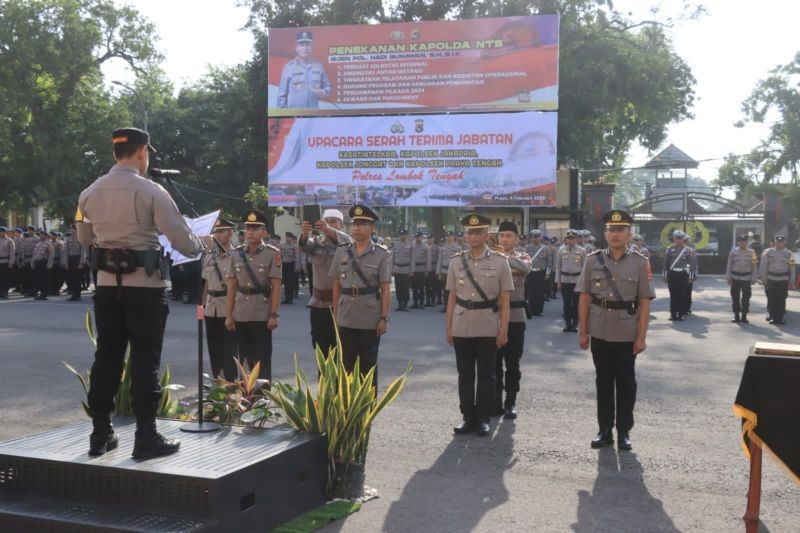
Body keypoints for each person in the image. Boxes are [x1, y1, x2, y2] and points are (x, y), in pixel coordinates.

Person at [77, 127, 210, 459]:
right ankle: (145, 436)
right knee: (144, 360)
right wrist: (200, 244)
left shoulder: (88, 193)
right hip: (145, 290)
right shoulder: (152, 191)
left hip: (107, 288)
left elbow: (83, 237)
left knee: (106, 356)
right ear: (141, 153)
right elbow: (182, 241)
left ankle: (100, 433)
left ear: (114, 153)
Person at [577, 209, 654, 451]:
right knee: (603, 382)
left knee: (626, 382)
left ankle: (624, 431)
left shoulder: (641, 263)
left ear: (630, 234)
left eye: (621, 230)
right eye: (611, 229)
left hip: (626, 332)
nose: (615, 234)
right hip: (599, 329)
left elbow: (644, 302)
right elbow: (585, 298)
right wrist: (582, 332)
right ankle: (604, 430)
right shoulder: (593, 260)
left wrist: (641, 337)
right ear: (605, 233)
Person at [446, 214, 513, 437]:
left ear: (486, 235)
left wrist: (503, 329)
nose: (472, 236)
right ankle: (467, 417)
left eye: (477, 232)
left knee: (487, 374)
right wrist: (448, 328)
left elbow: (505, 299)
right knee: (465, 374)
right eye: (468, 232)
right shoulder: (456, 261)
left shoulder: (500, 261)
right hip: (462, 322)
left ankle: (483, 418)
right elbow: (452, 297)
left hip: (488, 322)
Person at [329, 205, 391, 388]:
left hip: (369, 316)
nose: (357, 227)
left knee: (368, 364)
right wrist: (335, 312)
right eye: (355, 224)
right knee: (345, 364)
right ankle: (346, 409)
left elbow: (385, 289)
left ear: (373, 228)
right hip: (346, 314)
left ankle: (367, 408)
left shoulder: (382, 253)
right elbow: (336, 285)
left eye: (363, 224)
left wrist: (384, 318)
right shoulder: (341, 251)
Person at [225, 211, 282, 380]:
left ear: (264, 232)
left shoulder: (272, 253)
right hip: (241, 313)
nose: (250, 232)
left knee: (262, 359)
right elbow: (232, 287)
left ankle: (263, 398)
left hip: (262, 314)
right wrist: (228, 315)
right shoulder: (236, 254)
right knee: (245, 358)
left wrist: (273, 314)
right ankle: (247, 397)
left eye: (255, 228)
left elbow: (276, 286)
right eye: (248, 228)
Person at [299, 209, 352, 357]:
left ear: (341, 225)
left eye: (333, 221)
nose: (329, 224)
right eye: (326, 221)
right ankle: (323, 380)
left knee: (342, 349)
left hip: (341, 305)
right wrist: (304, 233)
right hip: (319, 304)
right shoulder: (316, 243)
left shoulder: (346, 243)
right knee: (321, 349)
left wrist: (328, 230)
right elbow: (303, 246)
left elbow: (348, 241)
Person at [493, 222, 531, 419]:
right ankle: (496, 400)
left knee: (512, 362)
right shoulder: (489, 256)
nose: (505, 239)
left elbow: (525, 268)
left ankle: (510, 401)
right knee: (493, 362)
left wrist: (504, 257)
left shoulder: (522, 256)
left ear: (517, 239)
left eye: (509, 235)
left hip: (515, 317)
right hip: (493, 316)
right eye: (502, 235)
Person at [201, 217, 238, 381]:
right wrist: (201, 308)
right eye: (215, 231)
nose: (217, 234)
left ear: (230, 233)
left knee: (229, 348)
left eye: (221, 231)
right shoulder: (209, 257)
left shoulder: (237, 256)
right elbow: (207, 283)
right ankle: (218, 380)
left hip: (228, 307)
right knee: (213, 347)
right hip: (211, 307)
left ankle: (231, 383)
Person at [277, 31, 332, 109]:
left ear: (312, 48)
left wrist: (324, 92)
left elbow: (328, 86)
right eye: (301, 45)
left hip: (313, 115)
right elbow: (282, 95)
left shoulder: (319, 66)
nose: (305, 48)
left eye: (307, 45)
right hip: (294, 116)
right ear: (296, 48)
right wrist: (281, 116)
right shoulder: (289, 67)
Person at [759, 235, 796, 325]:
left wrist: (792, 280)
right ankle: (772, 316)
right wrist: (763, 278)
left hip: (783, 279)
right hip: (771, 278)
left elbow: (792, 267)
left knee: (781, 298)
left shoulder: (789, 253)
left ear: (784, 242)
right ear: (775, 242)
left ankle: (780, 318)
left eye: (781, 241)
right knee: (772, 297)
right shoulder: (768, 252)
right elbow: (763, 266)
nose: (779, 243)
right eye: (778, 241)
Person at [555, 229, 586, 332]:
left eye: (572, 239)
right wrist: (558, 282)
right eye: (569, 239)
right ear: (566, 239)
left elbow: (584, 268)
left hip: (577, 281)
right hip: (565, 280)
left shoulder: (582, 251)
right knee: (566, 303)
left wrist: (583, 283)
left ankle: (575, 324)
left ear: (576, 239)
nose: (570, 241)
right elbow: (558, 267)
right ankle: (567, 324)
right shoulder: (561, 251)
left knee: (576, 304)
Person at [662, 230, 697, 321]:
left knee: (682, 294)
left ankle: (681, 314)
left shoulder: (688, 250)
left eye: (680, 238)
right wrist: (665, 275)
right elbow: (665, 264)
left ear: (683, 239)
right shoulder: (669, 249)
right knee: (673, 295)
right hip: (672, 274)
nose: (679, 240)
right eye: (677, 238)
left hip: (683, 274)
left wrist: (691, 276)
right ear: (674, 238)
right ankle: (673, 314)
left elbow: (692, 264)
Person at [726, 235, 758, 324]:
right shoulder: (733, 251)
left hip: (746, 278)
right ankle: (736, 316)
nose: (742, 243)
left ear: (747, 242)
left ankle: (744, 316)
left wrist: (754, 277)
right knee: (735, 298)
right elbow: (729, 265)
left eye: (744, 241)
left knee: (746, 298)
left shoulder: (752, 252)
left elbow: (754, 266)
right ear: (738, 242)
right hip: (735, 278)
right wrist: (728, 277)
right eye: (741, 241)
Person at [524, 229, 550, 316]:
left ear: (541, 238)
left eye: (537, 237)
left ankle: (539, 310)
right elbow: (524, 261)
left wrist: (547, 274)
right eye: (533, 237)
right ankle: (531, 309)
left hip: (540, 272)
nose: (535, 239)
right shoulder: (527, 248)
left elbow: (549, 262)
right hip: (530, 272)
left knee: (540, 292)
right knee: (530, 292)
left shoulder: (545, 248)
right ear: (531, 238)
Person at [437, 232, 462, 314]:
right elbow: (439, 260)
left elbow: (460, 261)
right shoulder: (442, 248)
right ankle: (446, 305)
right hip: (444, 271)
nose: (448, 238)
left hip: (454, 271)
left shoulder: (458, 248)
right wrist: (438, 272)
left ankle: (453, 305)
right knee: (445, 289)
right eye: (447, 236)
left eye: (450, 236)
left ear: (454, 237)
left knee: (453, 289)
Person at [63, 225, 88, 301]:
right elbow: (66, 251)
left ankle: (77, 294)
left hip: (77, 258)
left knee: (77, 278)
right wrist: (65, 262)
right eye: (71, 229)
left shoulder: (81, 238)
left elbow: (83, 251)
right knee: (71, 277)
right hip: (70, 259)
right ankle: (73, 294)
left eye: (73, 229)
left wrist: (81, 262)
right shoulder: (68, 239)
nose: (72, 231)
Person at [392, 229, 412, 311]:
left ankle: (405, 303)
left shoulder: (410, 245)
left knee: (405, 287)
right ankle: (400, 303)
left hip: (406, 269)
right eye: (400, 235)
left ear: (406, 236)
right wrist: (392, 269)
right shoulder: (396, 245)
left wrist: (411, 270)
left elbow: (412, 258)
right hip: (397, 268)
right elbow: (392, 257)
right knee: (398, 287)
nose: (402, 236)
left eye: (403, 235)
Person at [31, 229, 54, 300]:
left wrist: (49, 264)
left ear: (45, 236)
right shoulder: (37, 244)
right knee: (38, 279)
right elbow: (34, 255)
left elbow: (51, 255)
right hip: (37, 263)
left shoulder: (48, 244)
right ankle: (39, 293)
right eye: (40, 234)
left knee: (45, 279)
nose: (40, 236)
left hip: (44, 263)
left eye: (42, 234)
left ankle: (44, 294)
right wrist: (32, 263)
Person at [410, 231, 431, 309]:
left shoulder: (426, 247)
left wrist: (427, 270)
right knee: (414, 287)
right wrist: (411, 270)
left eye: (418, 237)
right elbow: (411, 258)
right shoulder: (412, 246)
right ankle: (415, 302)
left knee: (421, 288)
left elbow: (428, 259)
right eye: (416, 237)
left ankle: (421, 302)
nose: (417, 238)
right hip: (414, 269)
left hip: (422, 269)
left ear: (421, 237)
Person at [280, 232, 299, 304]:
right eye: (286, 237)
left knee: (291, 282)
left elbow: (296, 257)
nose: (287, 238)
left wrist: (296, 267)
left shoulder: (294, 246)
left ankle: (290, 298)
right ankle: (286, 297)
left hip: (291, 264)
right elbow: (280, 256)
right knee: (285, 281)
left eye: (288, 237)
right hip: (284, 264)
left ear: (291, 238)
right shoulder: (282, 246)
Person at [0, 226, 14, 299]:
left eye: (3, 231)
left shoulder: (9, 241)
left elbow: (12, 252)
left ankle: (5, 292)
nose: (1, 233)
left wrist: (11, 262)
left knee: (5, 278)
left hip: (5, 261)